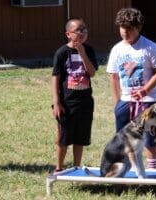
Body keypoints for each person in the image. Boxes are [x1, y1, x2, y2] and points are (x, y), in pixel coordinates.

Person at [106, 8, 156, 169]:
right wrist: (118, 101)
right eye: (122, 28)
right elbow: (114, 76)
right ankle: (127, 172)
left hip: (147, 100)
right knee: (123, 138)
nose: (125, 32)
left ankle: (152, 173)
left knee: (148, 137)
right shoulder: (117, 49)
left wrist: (144, 90)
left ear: (138, 28)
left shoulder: (150, 48)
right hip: (125, 100)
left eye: (129, 29)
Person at [51, 18, 98, 174]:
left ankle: (77, 167)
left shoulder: (89, 50)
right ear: (68, 34)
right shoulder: (61, 53)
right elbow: (56, 78)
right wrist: (57, 103)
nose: (83, 32)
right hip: (67, 103)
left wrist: (83, 54)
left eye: (84, 29)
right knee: (63, 138)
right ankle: (59, 168)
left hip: (85, 102)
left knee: (80, 138)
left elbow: (91, 73)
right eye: (78, 29)